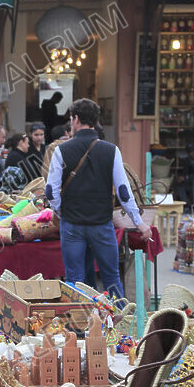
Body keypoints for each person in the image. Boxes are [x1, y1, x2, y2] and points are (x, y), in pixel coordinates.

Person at [45, 98, 152, 299]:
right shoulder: (111, 150)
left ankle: (76, 326)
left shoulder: (61, 150)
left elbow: (50, 191)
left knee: (74, 279)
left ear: (75, 119)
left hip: (72, 225)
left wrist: (61, 211)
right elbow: (123, 190)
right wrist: (139, 222)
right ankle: (117, 323)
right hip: (102, 225)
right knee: (111, 278)